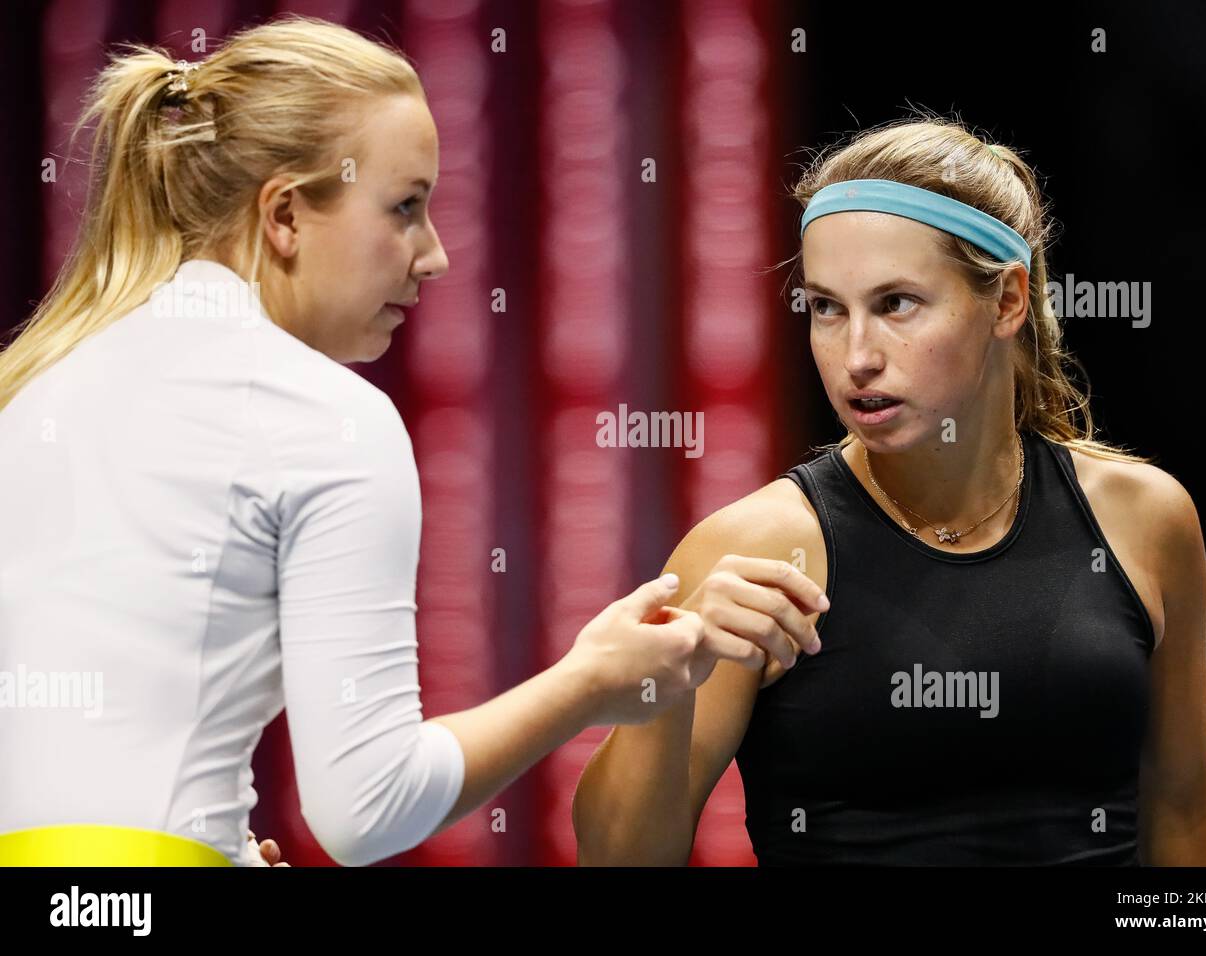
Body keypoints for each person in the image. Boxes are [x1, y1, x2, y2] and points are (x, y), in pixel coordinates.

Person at [0, 15, 827, 867]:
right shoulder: (324, 416)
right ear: (285, 214)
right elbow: (370, 808)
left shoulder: (33, 390)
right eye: (404, 208)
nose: (433, 256)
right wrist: (591, 683)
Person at [573, 116, 1206, 866]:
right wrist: (664, 681)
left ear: (1007, 302)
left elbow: (1190, 813)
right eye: (827, 308)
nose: (856, 357)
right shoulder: (757, 549)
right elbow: (617, 857)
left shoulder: (1144, 517)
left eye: (896, 304)